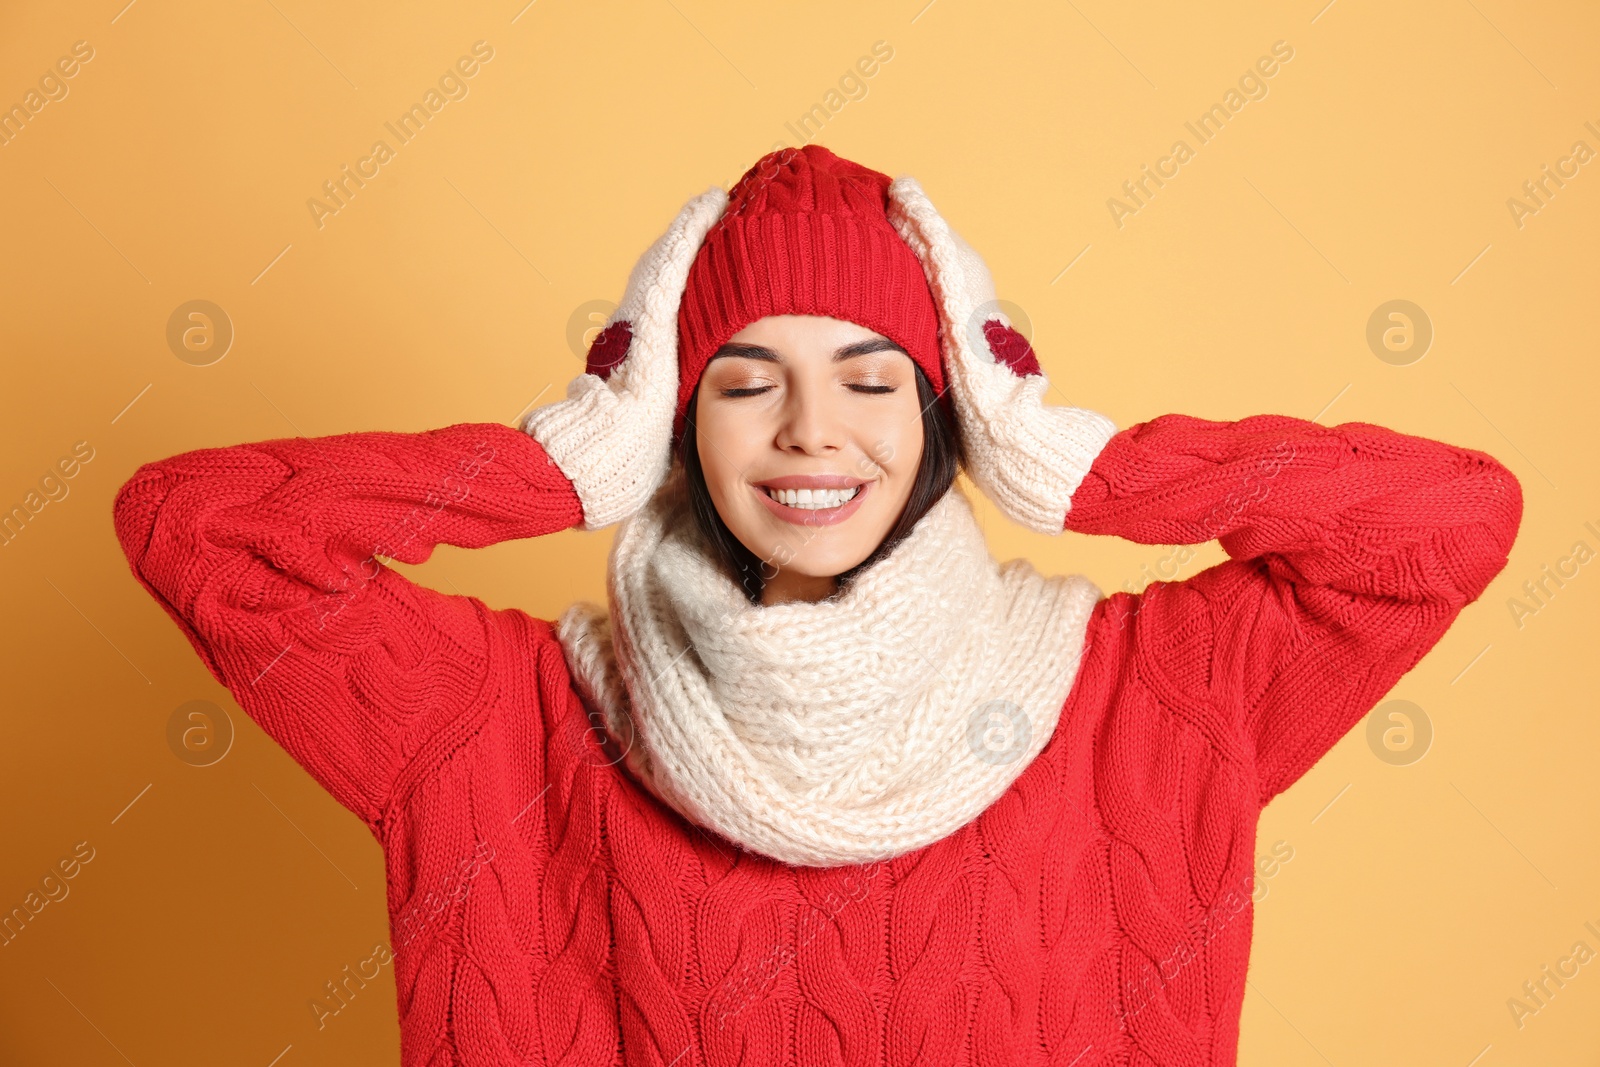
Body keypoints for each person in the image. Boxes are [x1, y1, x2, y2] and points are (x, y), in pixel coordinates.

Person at [112, 144, 1523, 1065]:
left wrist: (1074, 462)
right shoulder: (495, 722)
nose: (810, 432)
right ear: (671, 415)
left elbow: (1449, 521)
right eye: (741, 379)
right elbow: (198, 530)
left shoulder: (1149, 697)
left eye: (870, 376)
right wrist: (559, 461)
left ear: (949, 402)